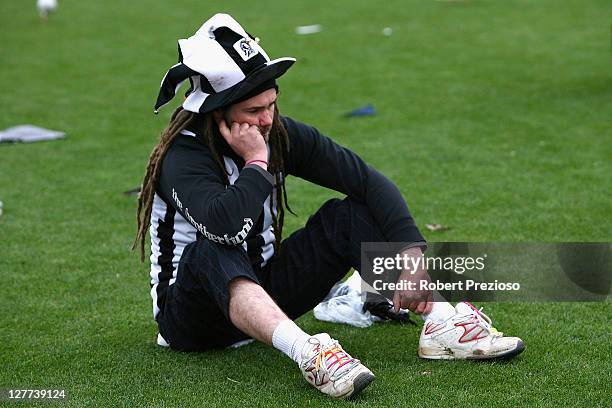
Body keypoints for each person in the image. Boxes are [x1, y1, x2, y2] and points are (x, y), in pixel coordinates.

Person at [133, 13, 524, 399]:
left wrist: (411, 256)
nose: (268, 119)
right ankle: (308, 351)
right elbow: (224, 227)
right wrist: (256, 162)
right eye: (254, 111)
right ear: (218, 113)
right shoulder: (182, 156)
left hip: (265, 297)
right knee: (211, 250)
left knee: (348, 216)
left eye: (271, 103)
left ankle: (440, 324)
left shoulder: (279, 134)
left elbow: (368, 182)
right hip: (192, 319)